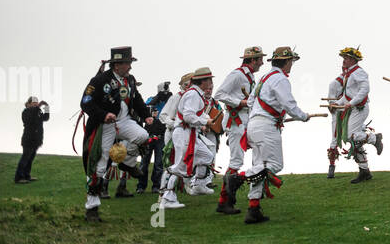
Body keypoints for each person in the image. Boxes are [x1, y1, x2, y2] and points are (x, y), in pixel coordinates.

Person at [80, 46, 154, 223]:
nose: (130, 67)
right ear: (117, 65)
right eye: (128, 63)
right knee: (99, 166)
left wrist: (146, 116)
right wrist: (103, 115)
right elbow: (85, 102)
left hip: (125, 121)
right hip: (105, 125)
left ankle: (127, 164)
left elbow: (136, 99)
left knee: (143, 137)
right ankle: (92, 208)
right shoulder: (99, 80)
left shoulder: (131, 80)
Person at [243, 46, 310, 224]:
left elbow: (250, 101)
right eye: (291, 62)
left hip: (254, 124)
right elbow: (289, 104)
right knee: (274, 164)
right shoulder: (280, 79)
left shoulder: (263, 78)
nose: (292, 65)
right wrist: (303, 116)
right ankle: (237, 178)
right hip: (266, 126)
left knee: (260, 165)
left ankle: (253, 209)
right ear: (286, 62)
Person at [214, 46, 264, 213]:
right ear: (252, 60)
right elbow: (219, 94)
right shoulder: (237, 75)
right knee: (236, 161)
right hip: (235, 121)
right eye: (259, 60)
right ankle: (224, 202)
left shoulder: (249, 77)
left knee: (256, 152)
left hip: (245, 120)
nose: (262, 63)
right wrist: (239, 102)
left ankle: (252, 192)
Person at [160, 67, 217, 210]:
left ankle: (197, 185)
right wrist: (206, 122)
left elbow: (195, 115)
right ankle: (167, 197)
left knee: (207, 156)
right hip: (184, 132)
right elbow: (188, 116)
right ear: (202, 81)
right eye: (209, 79)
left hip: (190, 133)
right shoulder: (193, 95)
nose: (211, 83)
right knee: (180, 165)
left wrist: (205, 121)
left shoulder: (196, 94)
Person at [328, 46, 382, 184]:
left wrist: (351, 103)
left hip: (360, 108)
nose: (343, 61)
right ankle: (364, 171)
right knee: (354, 140)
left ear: (352, 59)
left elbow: (365, 90)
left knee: (350, 136)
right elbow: (347, 96)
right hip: (353, 108)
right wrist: (337, 104)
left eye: (345, 58)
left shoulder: (359, 72)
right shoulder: (349, 74)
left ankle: (374, 138)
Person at [15, 96, 49, 184]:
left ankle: (27, 176)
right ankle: (18, 178)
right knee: (25, 158)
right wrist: (38, 107)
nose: (36, 103)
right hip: (28, 139)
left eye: (36, 102)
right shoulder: (26, 112)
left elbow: (46, 118)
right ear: (29, 104)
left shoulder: (38, 112)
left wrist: (47, 107)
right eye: (34, 102)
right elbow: (29, 119)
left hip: (36, 140)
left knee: (30, 158)